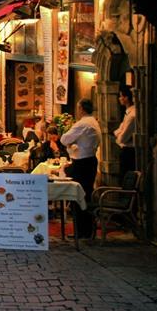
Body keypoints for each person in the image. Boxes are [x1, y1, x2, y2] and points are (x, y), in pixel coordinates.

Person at [60, 98, 101, 239]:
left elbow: (64, 139)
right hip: (91, 160)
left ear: (82, 109)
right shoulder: (94, 122)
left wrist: (71, 145)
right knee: (86, 193)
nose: (77, 111)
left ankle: (82, 230)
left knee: (78, 195)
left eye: (78, 108)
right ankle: (86, 230)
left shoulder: (82, 124)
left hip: (82, 163)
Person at [113, 84, 136, 177]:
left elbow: (122, 138)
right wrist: (118, 133)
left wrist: (118, 136)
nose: (119, 98)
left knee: (126, 177)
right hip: (126, 150)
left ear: (126, 98)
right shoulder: (127, 113)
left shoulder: (132, 115)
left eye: (121, 96)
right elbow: (118, 130)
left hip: (129, 152)